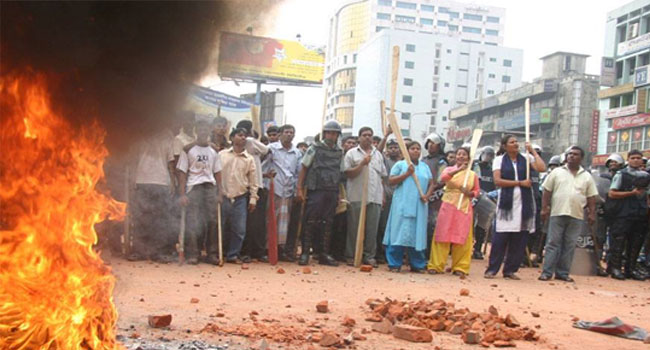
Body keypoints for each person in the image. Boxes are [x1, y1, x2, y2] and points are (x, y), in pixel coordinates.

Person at [484, 135, 546, 279]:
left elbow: (542, 168)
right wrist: (519, 183)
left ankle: (510, 270)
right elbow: (497, 181)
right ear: (505, 146)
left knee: (519, 239)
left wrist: (533, 152)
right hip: (506, 204)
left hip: (524, 203)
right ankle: (492, 269)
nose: (516, 144)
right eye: (512, 142)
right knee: (500, 238)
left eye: (516, 142)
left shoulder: (526, 158)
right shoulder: (499, 160)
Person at [539, 146, 597, 282]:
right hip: (557, 212)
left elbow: (591, 197)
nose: (571, 156)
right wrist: (544, 208)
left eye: (575, 154)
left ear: (581, 158)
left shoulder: (587, 176)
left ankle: (563, 273)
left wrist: (592, 213)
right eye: (569, 154)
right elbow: (547, 191)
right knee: (553, 243)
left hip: (576, 214)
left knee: (570, 244)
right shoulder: (557, 172)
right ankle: (547, 272)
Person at [296, 120, 343, 266]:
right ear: (324, 133)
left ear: (337, 135)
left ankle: (324, 254)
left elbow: (339, 173)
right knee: (310, 221)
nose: (331, 135)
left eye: (334, 133)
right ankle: (304, 253)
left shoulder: (339, 152)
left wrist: (340, 193)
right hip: (316, 189)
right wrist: (299, 187)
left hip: (332, 189)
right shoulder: (314, 148)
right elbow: (304, 167)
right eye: (329, 132)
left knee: (328, 223)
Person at [427, 147, 479, 277]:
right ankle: (436, 265)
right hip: (448, 204)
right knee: (442, 234)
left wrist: (470, 193)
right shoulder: (449, 170)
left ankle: (460, 267)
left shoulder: (472, 175)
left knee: (462, 236)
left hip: (464, 206)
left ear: (468, 157)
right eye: (459, 154)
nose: (461, 157)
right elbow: (443, 178)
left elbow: (477, 191)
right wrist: (458, 169)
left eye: (464, 155)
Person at [383, 141, 434, 272]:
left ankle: (418, 264)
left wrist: (427, 196)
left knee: (417, 233)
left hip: (419, 205)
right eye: (412, 148)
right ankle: (394, 263)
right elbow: (391, 181)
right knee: (398, 232)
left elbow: (431, 183)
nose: (416, 151)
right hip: (401, 204)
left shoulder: (424, 167)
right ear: (406, 151)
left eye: (418, 149)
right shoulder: (400, 165)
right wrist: (406, 174)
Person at [177, 121, 223, 265]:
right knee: (193, 221)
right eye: (200, 128)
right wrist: (182, 194)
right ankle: (193, 254)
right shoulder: (188, 149)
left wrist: (220, 192)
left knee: (212, 221)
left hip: (209, 187)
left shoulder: (214, 150)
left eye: (206, 128)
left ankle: (212, 254)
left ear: (209, 131)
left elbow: (218, 172)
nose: (203, 131)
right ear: (196, 131)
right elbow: (182, 173)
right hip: (193, 188)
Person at [130, 128, 176, 263]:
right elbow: (134, 160)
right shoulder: (140, 136)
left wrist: (172, 182)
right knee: (141, 218)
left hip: (161, 182)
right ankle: (139, 251)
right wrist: (133, 179)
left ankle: (159, 252)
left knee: (161, 220)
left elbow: (170, 163)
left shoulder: (168, 137)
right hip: (142, 181)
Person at [343, 127, 388, 267]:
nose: (367, 137)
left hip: (374, 197)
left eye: (370, 135)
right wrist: (362, 164)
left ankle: (369, 256)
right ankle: (351, 255)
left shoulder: (378, 155)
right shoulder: (351, 154)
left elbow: (382, 176)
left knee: (372, 229)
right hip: (357, 196)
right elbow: (348, 173)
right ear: (359, 138)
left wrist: (382, 196)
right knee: (354, 228)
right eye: (364, 135)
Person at [606, 150, 649, 280]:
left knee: (636, 243)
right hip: (623, 214)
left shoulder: (646, 176)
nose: (636, 160)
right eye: (633, 158)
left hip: (639, 214)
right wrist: (631, 193)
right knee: (618, 242)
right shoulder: (621, 175)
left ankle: (630, 269)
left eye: (638, 158)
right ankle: (616, 268)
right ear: (628, 160)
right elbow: (612, 193)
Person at [219, 127, 259, 263]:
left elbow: (254, 180)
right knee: (220, 227)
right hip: (222, 196)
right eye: (239, 135)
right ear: (231, 138)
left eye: (244, 136)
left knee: (239, 229)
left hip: (240, 197)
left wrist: (253, 198)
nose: (243, 138)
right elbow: (215, 174)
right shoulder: (222, 155)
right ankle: (218, 253)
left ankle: (233, 255)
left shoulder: (249, 159)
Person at [264, 124, 302, 261]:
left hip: (288, 190)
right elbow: (263, 166)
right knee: (270, 219)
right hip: (274, 189)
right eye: (286, 132)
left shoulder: (297, 153)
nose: (289, 134)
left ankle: (281, 250)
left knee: (284, 223)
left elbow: (298, 173)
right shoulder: (271, 149)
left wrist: (298, 189)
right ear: (280, 134)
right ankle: (267, 249)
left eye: (292, 132)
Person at [236, 120, 270, 263]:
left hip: (255, 186)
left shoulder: (250, 141)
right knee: (250, 222)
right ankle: (252, 251)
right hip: (246, 186)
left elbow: (267, 151)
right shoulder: (244, 143)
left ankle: (254, 251)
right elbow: (267, 151)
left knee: (254, 222)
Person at [330, 135, 358, 261]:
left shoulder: (357, 158)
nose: (351, 145)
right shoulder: (338, 156)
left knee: (348, 224)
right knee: (336, 224)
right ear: (343, 144)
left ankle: (343, 252)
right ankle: (333, 252)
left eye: (353, 143)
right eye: (349, 143)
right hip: (339, 190)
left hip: (353, 193)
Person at [422, 132, 447, 257]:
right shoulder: (423, 160)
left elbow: (442, 180)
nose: (431, 146)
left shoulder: (442, 161)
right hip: (423, 196)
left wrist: (431, 189)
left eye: (434, 143)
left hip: (436, 198)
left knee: (433, 226)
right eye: (429, 143)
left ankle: (430, 256)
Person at [377, 138, 401, 264]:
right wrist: (385, 135)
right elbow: (377, 151)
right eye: (390, 147)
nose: (393, 150)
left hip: (401, 199)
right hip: (388, 197)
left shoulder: (405, 163)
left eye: (395, 147)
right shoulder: (385, 161)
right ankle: (382, 253)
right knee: (384, 226)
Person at [472, 146, 496, 260]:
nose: (488, 157)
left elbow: (496, 184)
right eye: (487, 154)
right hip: (473, 197)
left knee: (482, 225)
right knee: (469, 224)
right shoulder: (474, 166)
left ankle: (477, 249)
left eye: (491, 155)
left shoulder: (493, 169)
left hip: (487, 200)